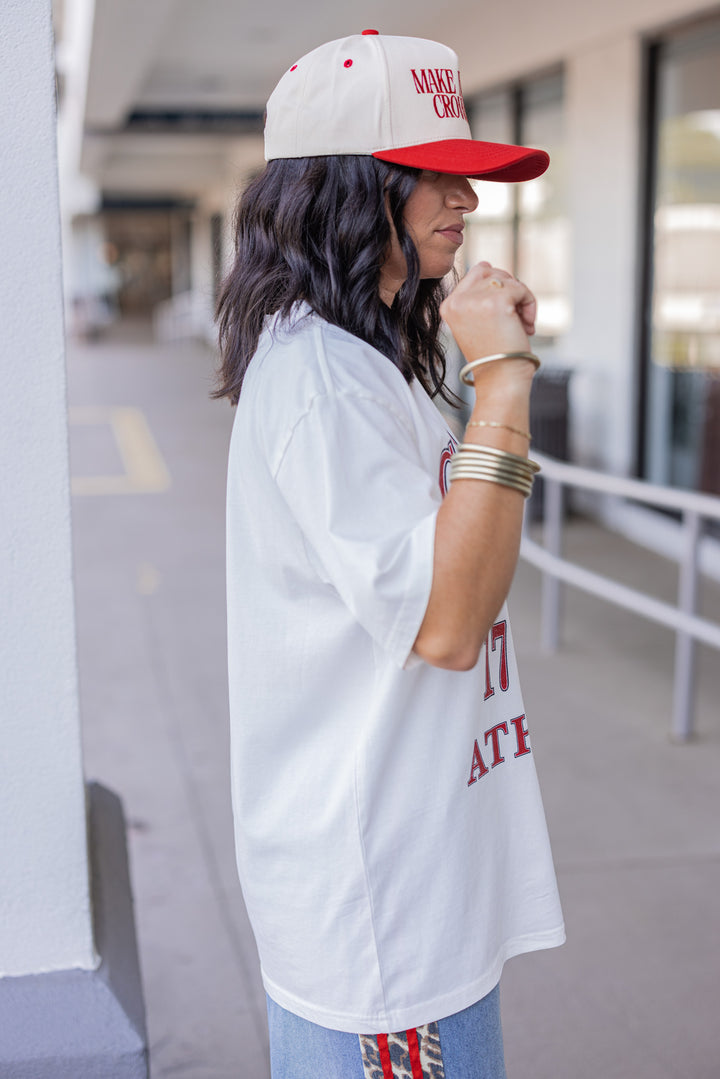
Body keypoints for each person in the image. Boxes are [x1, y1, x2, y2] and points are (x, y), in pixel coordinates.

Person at [215, 30, 565, 1079]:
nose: (464, 200)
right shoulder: (323, 376)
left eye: (468, 175)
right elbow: (448, 623)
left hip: (412, 879)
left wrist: (481, 376)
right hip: (382, 916)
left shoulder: (366, 351)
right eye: (435, 174)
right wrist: (502, 385)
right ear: (351, 187)